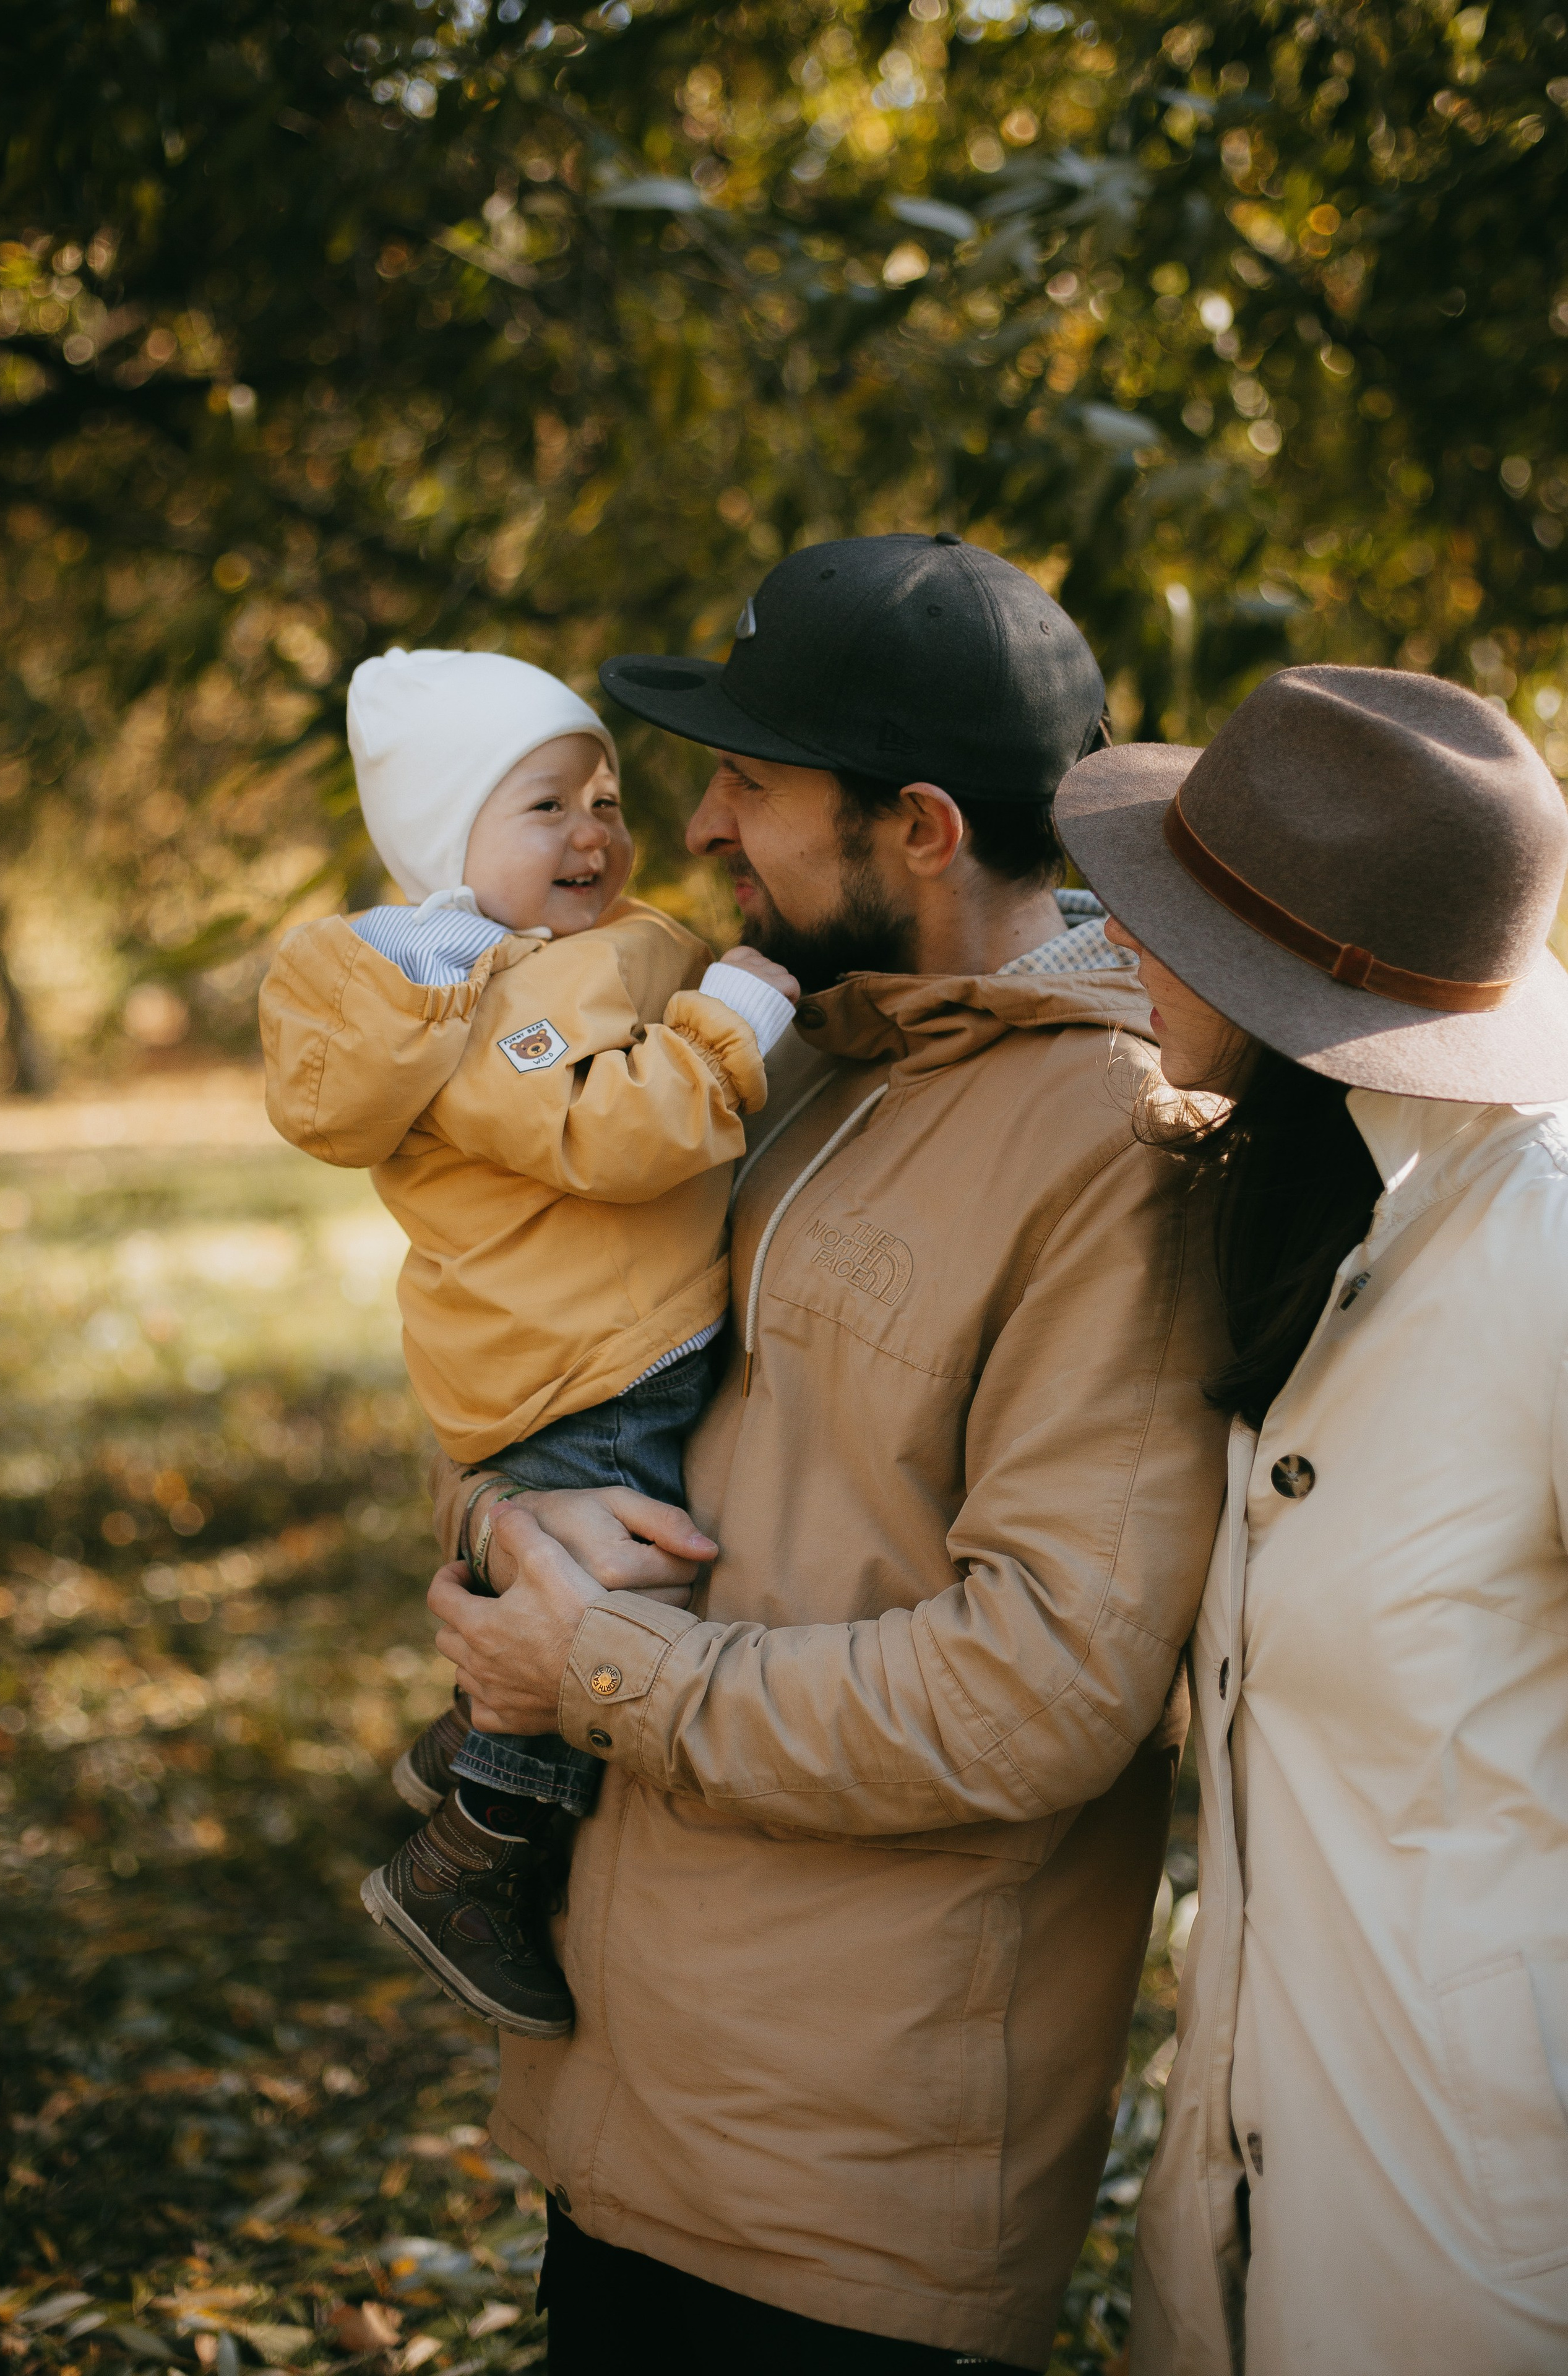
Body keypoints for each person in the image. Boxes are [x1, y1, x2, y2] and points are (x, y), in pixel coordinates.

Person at [422, 533, 1231, 2372]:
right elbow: (542, 1381)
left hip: (845, 2202)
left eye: (753, 785)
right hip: (620, 2102)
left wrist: (596, 1664)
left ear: (922, 829)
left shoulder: (1119, 1156)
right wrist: (502, 1534)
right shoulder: (770, 1064)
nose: (701, 829)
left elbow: (1040, 1690)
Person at [1051, 663, 1568, 2375]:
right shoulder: (1312, 1183)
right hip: (1254, 2175)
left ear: (1296, 973)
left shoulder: (1548, 1245)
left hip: (1485, 2236)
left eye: (1165, 914)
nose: (1122, 936)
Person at [258, 646, 798, 2036]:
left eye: (605, 796)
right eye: (545, 807)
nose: (595, 833)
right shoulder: (496, 1000)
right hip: (585, 1368)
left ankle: (465, 1734)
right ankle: (471, 1857)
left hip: (578, 1348)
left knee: (587, 1581)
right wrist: (734, 1027)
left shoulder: (559, 965)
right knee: (613, 1608)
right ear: (454, 849)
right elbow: (619, 1135)